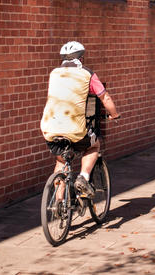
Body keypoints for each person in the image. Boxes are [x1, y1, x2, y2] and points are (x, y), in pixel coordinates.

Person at [40, 41, 120, 200]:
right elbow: (105, 97)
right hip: (74, 128)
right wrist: (114, 115)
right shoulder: (87, 74)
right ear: (81, 59)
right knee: (94, 145)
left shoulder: (54, 73)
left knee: (61, 161)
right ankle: (83, 178)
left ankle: (59, 204)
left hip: (49, 127)